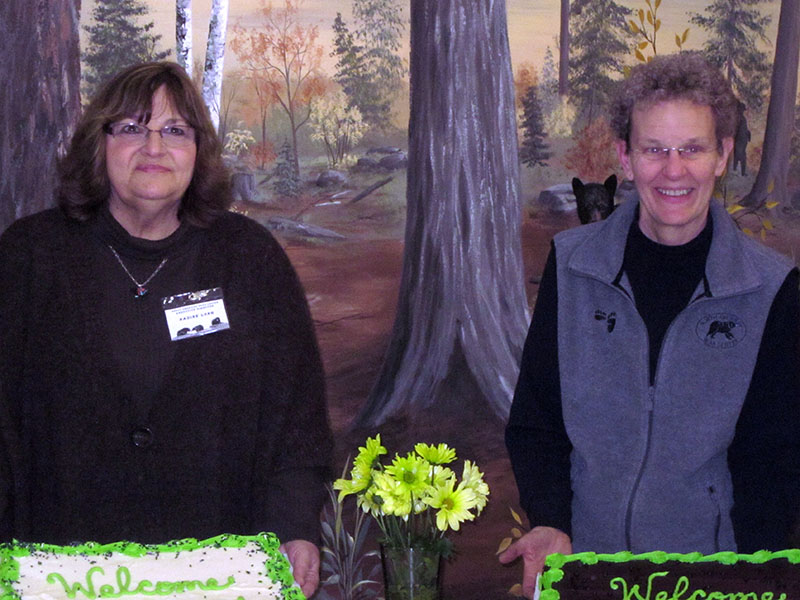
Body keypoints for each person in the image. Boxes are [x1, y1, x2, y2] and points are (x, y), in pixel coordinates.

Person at [0, 62, 332, 597]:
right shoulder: (29, 257)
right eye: (132, 127)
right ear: (98, 143)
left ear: (198, 150)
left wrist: (295, 527)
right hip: (62, 569)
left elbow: (298, 415)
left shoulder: (249, 259)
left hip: (222, 565)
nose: (153, 147)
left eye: (174, 130)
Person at [500, 52, 800, 599]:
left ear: (722, 155)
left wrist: (751, 579)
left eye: (692, 149)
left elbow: (773, 466)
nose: (673, 169)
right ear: (626, 158)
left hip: (711, 582)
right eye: (654, 150)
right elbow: (536, 422)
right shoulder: (571, 265)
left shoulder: (772, 291)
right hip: (585, 573)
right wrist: (550, 520)